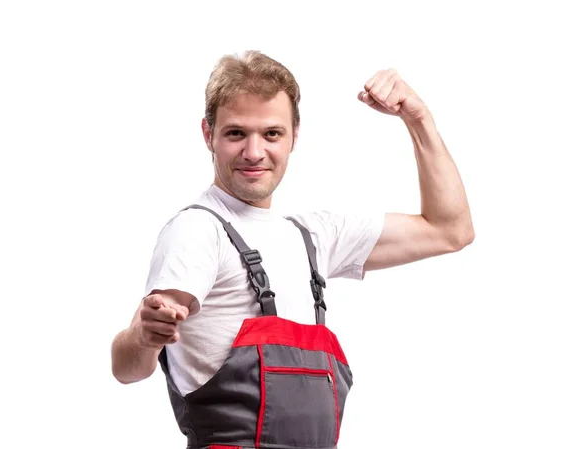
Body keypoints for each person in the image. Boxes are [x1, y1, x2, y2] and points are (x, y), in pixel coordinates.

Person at [110, 50, 474, 448]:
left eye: (271, 133)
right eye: (236, 133)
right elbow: (126, 367)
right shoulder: (198, 231)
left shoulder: (312, 237)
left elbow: (449, 229)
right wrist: (144, 337)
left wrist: (418, 119)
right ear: (207, 134)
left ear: (294, 136)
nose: (253, 152)